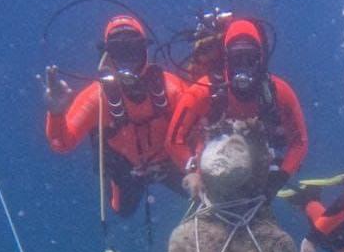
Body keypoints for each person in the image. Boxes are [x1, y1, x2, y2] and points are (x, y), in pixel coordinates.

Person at [45, 15, 186, 216]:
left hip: (170, 161)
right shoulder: (98, 98)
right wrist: (56, 113)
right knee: (123, 211)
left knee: (202, 194)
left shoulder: (171, 89)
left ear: (144, 50)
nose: (127, 59)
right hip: (127, 170)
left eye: (132, 49)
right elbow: (61, 143)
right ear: (108, 55)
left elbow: (197, 129)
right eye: (120, 51)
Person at [166, 18, 308, 197]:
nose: (243, 66)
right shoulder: (202, 92)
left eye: (250, 59)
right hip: (210, 178)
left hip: (259, 176)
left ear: (260, 59)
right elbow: (173, 140)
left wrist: (280, 177)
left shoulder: (279, 93)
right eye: (236, 59)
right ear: (226, 59)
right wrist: (193, 171)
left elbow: (299, 142)